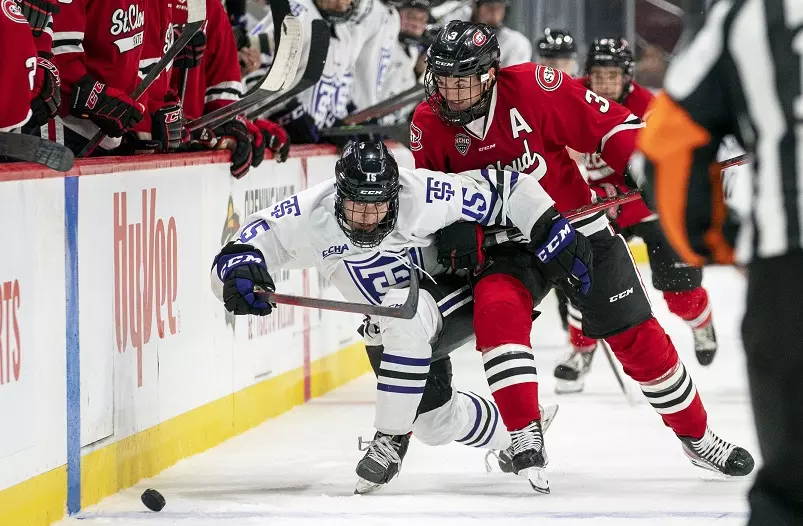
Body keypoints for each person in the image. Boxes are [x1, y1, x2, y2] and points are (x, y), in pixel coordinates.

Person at [411, 21, 754, 479]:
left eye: (464, 79)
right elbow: (432, 195)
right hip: (507, 248)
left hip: (577, 227)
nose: (452, 91)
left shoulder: (535, 87)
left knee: (639, 338)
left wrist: (641, 164)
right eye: (445, 79)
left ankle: (698, 437)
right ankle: (524, 431)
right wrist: (454, 226)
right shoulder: (427, 123)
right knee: (497, 310)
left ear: (491, 72)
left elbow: (608, 126)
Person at [210, 141, 565, 493]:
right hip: (393, 327)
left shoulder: (423, 195)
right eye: (355, 206)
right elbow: (238, 248)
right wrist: (239, 272)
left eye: (377, 206)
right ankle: (512, 430)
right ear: (338, 196)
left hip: (456, 291)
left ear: (394, 197)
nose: (365, 219)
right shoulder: (311, 215)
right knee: (435, 422)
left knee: (401, 314)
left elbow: (510, 188)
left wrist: (549, 225)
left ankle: (391, 438)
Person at [637, 1, 803, 523]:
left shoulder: (752, 13)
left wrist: (723, 242)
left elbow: (665, 147)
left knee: (793, 488)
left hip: (790, 264)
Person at [551, 38, 720, 395]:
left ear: (627, 76)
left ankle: (700, 321)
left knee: (681, 294)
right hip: (600, 209)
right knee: (587, 282)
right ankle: (580, 352)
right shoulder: (571, 96)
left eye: (613, 76)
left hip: (652, 210)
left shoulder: (652, 108)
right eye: (599, 75)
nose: (606, 84)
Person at [48, 0, 147, 154]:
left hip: (111, 134)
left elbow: (133, 56)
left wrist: (142, 120)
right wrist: (92, 95)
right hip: (64, 127)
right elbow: (55, 50)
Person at [450, 0, 531, 67]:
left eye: (499, 6)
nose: (494, 12)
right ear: (476, 7)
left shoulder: (517, 42)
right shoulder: (457, 34)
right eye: (489, 6)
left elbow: (514, 80)